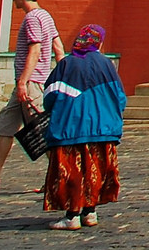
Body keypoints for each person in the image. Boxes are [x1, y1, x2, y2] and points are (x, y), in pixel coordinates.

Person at [0, 0, 61, 194]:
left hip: (31, 82)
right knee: (6, 122)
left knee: (40, 130)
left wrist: (23, 81)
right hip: (27, 82)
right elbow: (58, 48)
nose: (13, 0)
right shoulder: (46, 16)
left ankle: (59, 176)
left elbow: (36, 49)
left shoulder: (32, 18)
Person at [41, 24, 126, 230]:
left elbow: (50, 96)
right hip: (102, 130)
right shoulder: (107, 66)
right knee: (95, 172)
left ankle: (72, 215)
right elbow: (120, 98)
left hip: (71, 129)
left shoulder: (66, 65)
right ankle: (90, 212)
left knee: (73, 174)